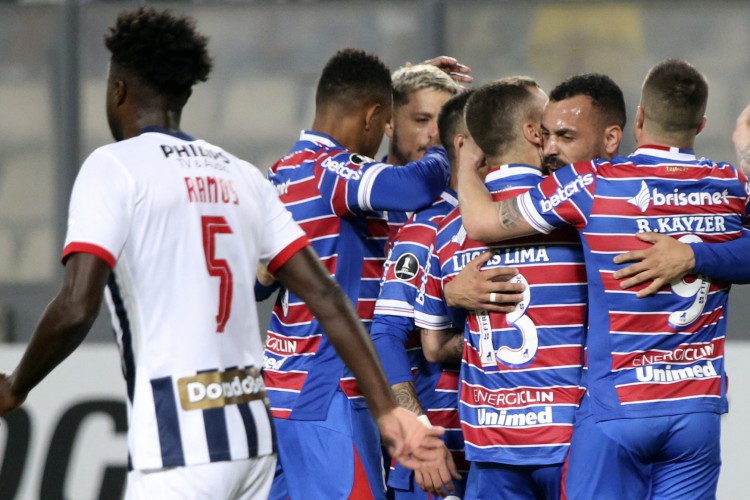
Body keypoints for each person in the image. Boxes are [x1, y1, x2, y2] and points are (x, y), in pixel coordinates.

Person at [0, 10, 445, 499]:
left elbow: (75, 305)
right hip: (251, 428)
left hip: (183, 436)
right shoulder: (239, 175)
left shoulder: (117, 167)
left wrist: (18, 384)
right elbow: (325, 294)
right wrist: (388, 409)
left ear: (118, 91)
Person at [457, 59, 749, 499]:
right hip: (695, 411)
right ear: (701, 123)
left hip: (618, 410)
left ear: (638, 120)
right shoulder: (730, 185)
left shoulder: (593, 185)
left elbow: (481, 222)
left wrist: (465, 162)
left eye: (564, 136)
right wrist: (696, 253)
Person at [262, 48, 457, 500]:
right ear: (375, 116)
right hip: (330, 388)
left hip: (282, 386)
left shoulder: (279, 174)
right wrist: (455, 139)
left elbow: (257, 283)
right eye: (394, 118)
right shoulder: (332, 170)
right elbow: (411, 184)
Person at [370, 90, 475, 499]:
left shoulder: (521, 217)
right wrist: (421, 435)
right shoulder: (427, 225)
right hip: (442, 451)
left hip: (511, 443)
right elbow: (386, 334)